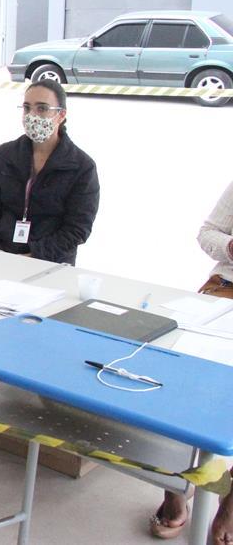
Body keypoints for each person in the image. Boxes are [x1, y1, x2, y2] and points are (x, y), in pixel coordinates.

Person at [149, 181, 233, 542]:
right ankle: (176, 485)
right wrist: (229, 246)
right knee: (177, 376)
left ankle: (230, 500)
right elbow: (207, 233)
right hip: (226, 285)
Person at [0, 78, 100, 266]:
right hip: (0, 257)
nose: (32, 115)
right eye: (27, 108)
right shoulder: (4, 155)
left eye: (42, 108)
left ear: (61, 115)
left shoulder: (81, 167)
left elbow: (77, 229)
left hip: (50, 263)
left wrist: (33, 257)